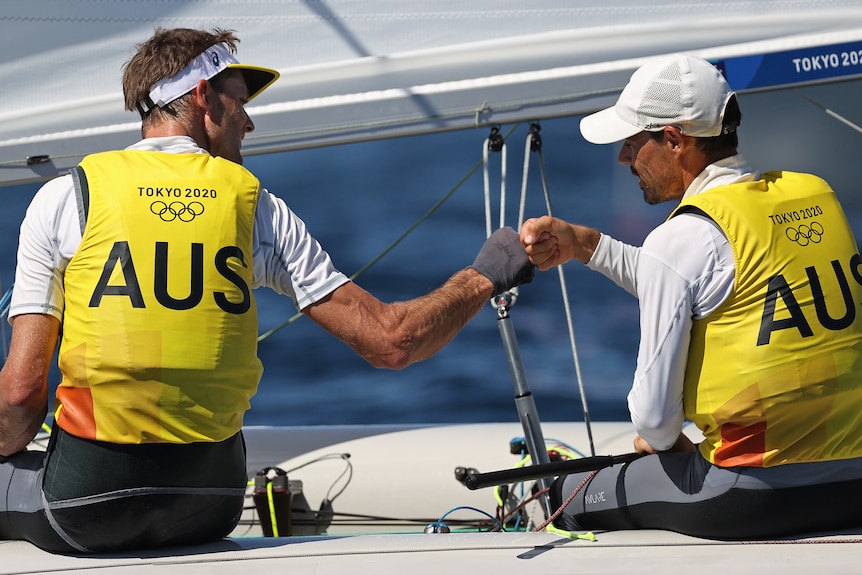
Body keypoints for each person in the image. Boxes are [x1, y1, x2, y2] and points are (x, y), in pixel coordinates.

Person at [0, 28, 533, 553]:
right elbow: (393, 341)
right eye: (240, 102)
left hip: (89, 509)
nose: (249, 122)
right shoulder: (258, 208)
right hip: (210, 506)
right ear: (203, 96)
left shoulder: (65, 198)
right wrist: (486, 272)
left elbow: (21, 397)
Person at [521, 54, 862, 539]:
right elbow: (709, 283)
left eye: (633, 142)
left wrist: (675, 448)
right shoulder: (815, 194)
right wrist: (586, 245)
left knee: (567, 497)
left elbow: (655, 421)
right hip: (855, 483)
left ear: (675, 140)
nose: (623, 157)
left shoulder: (681, 239)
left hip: (753, 496)